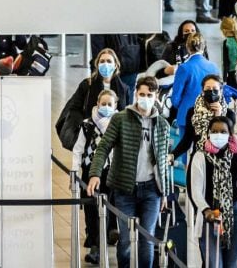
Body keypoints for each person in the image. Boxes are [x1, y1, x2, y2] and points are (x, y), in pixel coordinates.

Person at [86, 76, 173, 268]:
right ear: (135, 94)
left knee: (146, 238)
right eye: (141, 94)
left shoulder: (162, 125)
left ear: (156, 96)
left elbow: (162, 161)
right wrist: (95, 173)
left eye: (149, 95)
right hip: (125, 189)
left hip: (152, 190)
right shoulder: (120, 119)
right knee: (125, 239)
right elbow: (103, 147)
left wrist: (165, 192)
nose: (145, 98)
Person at [187, 114, 237, 268]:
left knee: (232, 263)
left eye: (223, 131)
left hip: (234, 213)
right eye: (214, 131)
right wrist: (206, 210)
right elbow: (195, 191)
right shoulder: (200, 156)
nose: (218, 135)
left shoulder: (236, 155)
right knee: (214, 264)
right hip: (210, 215)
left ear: (230, 135)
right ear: (208, 133)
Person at [71, 89, 118, 265]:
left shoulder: (118, 123)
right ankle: (93, 244)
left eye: (109, 104)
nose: (106, 107)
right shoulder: (87, 125)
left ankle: (102, 242)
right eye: (103, 104)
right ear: (97, 104)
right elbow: (78, 149)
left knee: (107, 207)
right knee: (90, 209)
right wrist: (74, 171)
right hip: (89, 171)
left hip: (110, 172)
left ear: (115, 106)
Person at [170, 33, 220, 132]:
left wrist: (180, 106)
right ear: (204, 46)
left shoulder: (184, 68)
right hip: (208, 114)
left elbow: (175, 97)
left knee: (185, 146)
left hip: (186, 115)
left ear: (187, 47)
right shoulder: (214, 67)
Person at [172, 74, 228, 160]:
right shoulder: (192, 112)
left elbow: (224, 142)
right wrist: (172, 155)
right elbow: (187, 140)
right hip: (198, 158)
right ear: (202, 91)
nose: (211, 92)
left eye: (215, 90)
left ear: (221, 91)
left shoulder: (229, 114)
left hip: (221, 159)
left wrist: (218, 116)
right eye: (208, 89)